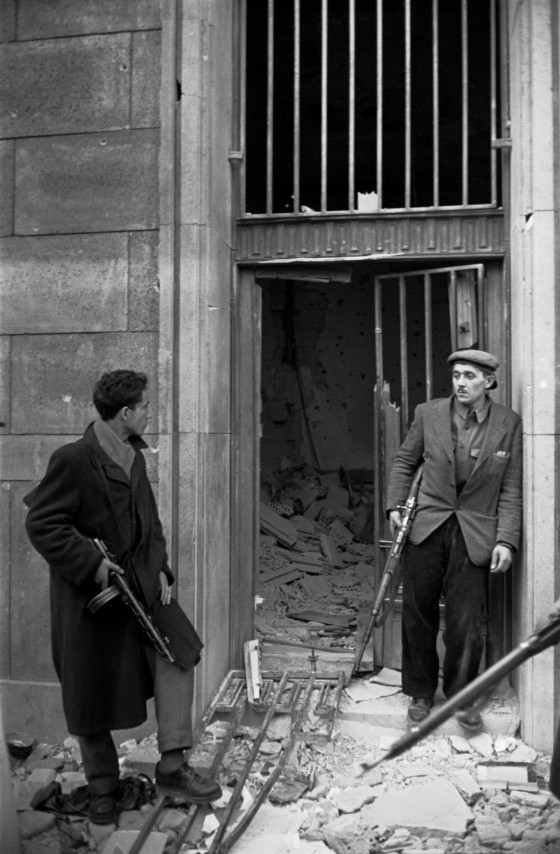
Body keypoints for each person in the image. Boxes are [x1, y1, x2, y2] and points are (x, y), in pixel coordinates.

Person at [24, 370, 222, 826]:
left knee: (180, 652)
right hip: (90, 600)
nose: (151, 413)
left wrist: (162, 567)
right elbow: (43, 524)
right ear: (126, 412)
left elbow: (151, 523)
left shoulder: (134, 456)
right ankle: (102, 788)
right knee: (89, 691)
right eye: (146, 406)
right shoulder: (73, 459)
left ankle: (172, 768)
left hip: (142, 587)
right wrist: (93, 565)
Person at [386, 349, 523, 730]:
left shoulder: (508, 423)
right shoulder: (428, 413)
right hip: (427, 524)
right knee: (418, 612)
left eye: (470, 376)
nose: (461, 383)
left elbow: (511, 487)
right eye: (457, 375)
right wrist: (394, 505)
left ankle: (461, 696)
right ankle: (420, 693)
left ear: (488, 382)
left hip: (475, 531)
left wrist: (506, 539)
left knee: (466, 620)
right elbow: (405, 461)